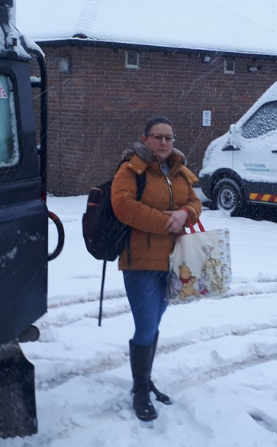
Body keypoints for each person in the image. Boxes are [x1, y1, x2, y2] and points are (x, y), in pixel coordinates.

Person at [111, 116, 201, 422]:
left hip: (174, 261)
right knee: (146, 326)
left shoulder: (179, 171)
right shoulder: (131, 169)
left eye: (169, 137)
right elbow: (123, 206)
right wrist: (168, 221)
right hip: (139, 262)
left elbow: (194, 202)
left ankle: (145, 378)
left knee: (154, 324)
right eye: (158, 137)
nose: (164, 143)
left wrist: (184, 213)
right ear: (145, 138)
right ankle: (140, 391)